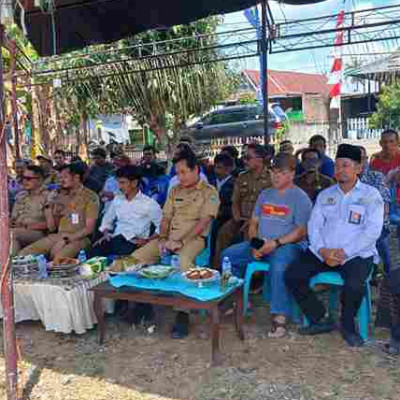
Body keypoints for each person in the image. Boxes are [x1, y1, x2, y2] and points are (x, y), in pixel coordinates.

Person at [285, 144, 384, 347]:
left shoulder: (370, 195)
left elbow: (372, 231)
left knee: (354, 285)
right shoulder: (326, 194)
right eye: (337, 165)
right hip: (324, 252)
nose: (340, 170)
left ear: (358, 168)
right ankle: (320, 318)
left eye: (346, 165)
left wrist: (344, 252)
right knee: (292, 274)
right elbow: (314, 225)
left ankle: (348, 326)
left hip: (357, 254)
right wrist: (322, 250)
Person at [131, 149, 220, 338]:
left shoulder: (209, 192)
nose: (180, 177)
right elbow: (165, 218)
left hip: (194, 240)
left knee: (183, 262)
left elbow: (204, 221)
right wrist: (163, 238)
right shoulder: (174, 190)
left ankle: (182, 313)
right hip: (168, 239)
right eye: (177, 173)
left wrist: (181, 242)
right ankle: (142, 304)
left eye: (184, 172)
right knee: (137, 258)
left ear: (196, 170)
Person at [222, 153, 312, 338]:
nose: (276, 176)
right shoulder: (265, 194)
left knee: (279, 265)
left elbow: (301, 231)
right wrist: (256, 244)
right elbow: (254, 223)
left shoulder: (300, 197)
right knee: (228, 255)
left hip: (288, 245)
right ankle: (239, 301)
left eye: (282, 173)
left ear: (292, 174)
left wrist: (276, 243)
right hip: (262, 243)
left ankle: (279, 316)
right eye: (273, 172)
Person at [20, 163, 100, 264]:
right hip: (59, 235)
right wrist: (49, 204)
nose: (61, 180)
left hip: (80, 238)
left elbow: (89, 229)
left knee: (58, 259)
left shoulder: (90, 196)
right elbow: (53, 228)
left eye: (65, 177)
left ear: (76, 177)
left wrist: (66, 240)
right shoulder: (59, 196)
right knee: (24, 254)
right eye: (60, 177)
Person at [214, 143, 271, 269]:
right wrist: (238, 218)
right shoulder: (241, 177)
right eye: (243, 157)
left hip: (261, 221)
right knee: (223, 233)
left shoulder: (271, 178)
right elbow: (235, 202)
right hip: (240, 219)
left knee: (249, 237)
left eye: (247, 158)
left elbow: (272, 206)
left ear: (260, 159)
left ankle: (253, 276)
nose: (244, 160)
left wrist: (253, 221)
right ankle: (218, 269)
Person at [90, 165, 162, 258]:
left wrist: (148, 240)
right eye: (118, 183)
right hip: (115, 239)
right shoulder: (117, 199)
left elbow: (162, 225)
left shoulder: (149, 203)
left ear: (134, 183)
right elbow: (107, 220)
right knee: (91, 253)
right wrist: (106, 233)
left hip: (134, 243)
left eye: (123, 183)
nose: (119, 187)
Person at [358, 146, 391, 275]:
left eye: (363, 158)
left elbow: (384, 202)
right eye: (357, 158)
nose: (361, 161)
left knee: (379, 238)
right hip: (353, 222)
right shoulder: (344, 179)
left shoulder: (376, 176)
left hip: (377, 220)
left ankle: (386, 273)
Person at [11, 165, 51, 255]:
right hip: (18, 230)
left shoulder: (48, 197)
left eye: (28, 178)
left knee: (12, 234)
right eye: (23, 178)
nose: (25, 181)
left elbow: (51, 225)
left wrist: (26, 226)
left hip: (38, 233)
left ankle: (11, 266)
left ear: (40, 180)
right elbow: (13, 218)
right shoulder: (21, 196)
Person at [210, 153, 235, 267]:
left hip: (225, 221)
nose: (216, 170)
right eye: (215, 167)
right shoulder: (211, 182)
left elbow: (234, 206)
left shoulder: (235, 184)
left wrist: (219, 213)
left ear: (229, 168)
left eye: (219, 167)